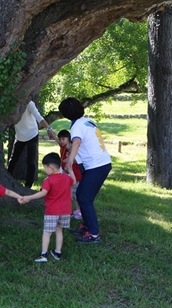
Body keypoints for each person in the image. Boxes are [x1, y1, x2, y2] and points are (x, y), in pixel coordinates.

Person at [59, 97, 111, 244]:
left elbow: (76, 142)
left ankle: (94, 234)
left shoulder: (76, 127)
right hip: (100, 164)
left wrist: (70, 162)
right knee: (83, 195)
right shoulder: (87, 121)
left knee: (84, 198)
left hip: (97, 166)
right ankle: (87, 225)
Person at [19, 153, 74, 263]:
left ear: (51, 167)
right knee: (59, 231)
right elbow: (74, 181)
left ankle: (43, 254)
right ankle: (57, 253)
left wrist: (29, 198)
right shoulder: (66, 178)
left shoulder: (48, 180)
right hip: (65, 211)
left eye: (45, 167)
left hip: (52, 211)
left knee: (47, 232)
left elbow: (43, 193)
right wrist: (71, 169)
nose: (44, 170)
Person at [7, 101, 57, 188]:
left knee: (30, 161)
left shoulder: (29, 103)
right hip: (19, 136)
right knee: (13, 159)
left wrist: (48, 128)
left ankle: (28, 185)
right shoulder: (10, 102)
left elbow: (39, 118)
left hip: (32, 134)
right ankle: (7, 179)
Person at [56, 129, 82, 219]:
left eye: (64, 139)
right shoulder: (62, 146)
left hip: (76, 175)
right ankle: (68, 210)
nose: (61, 141)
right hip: (66, 175)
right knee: (67, 193)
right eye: (60, 139)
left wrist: (68, 160)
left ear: (69, 139)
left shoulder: (74, 149)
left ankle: (78, 211)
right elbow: (56, 138)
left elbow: (78, 160)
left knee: (76, 194)